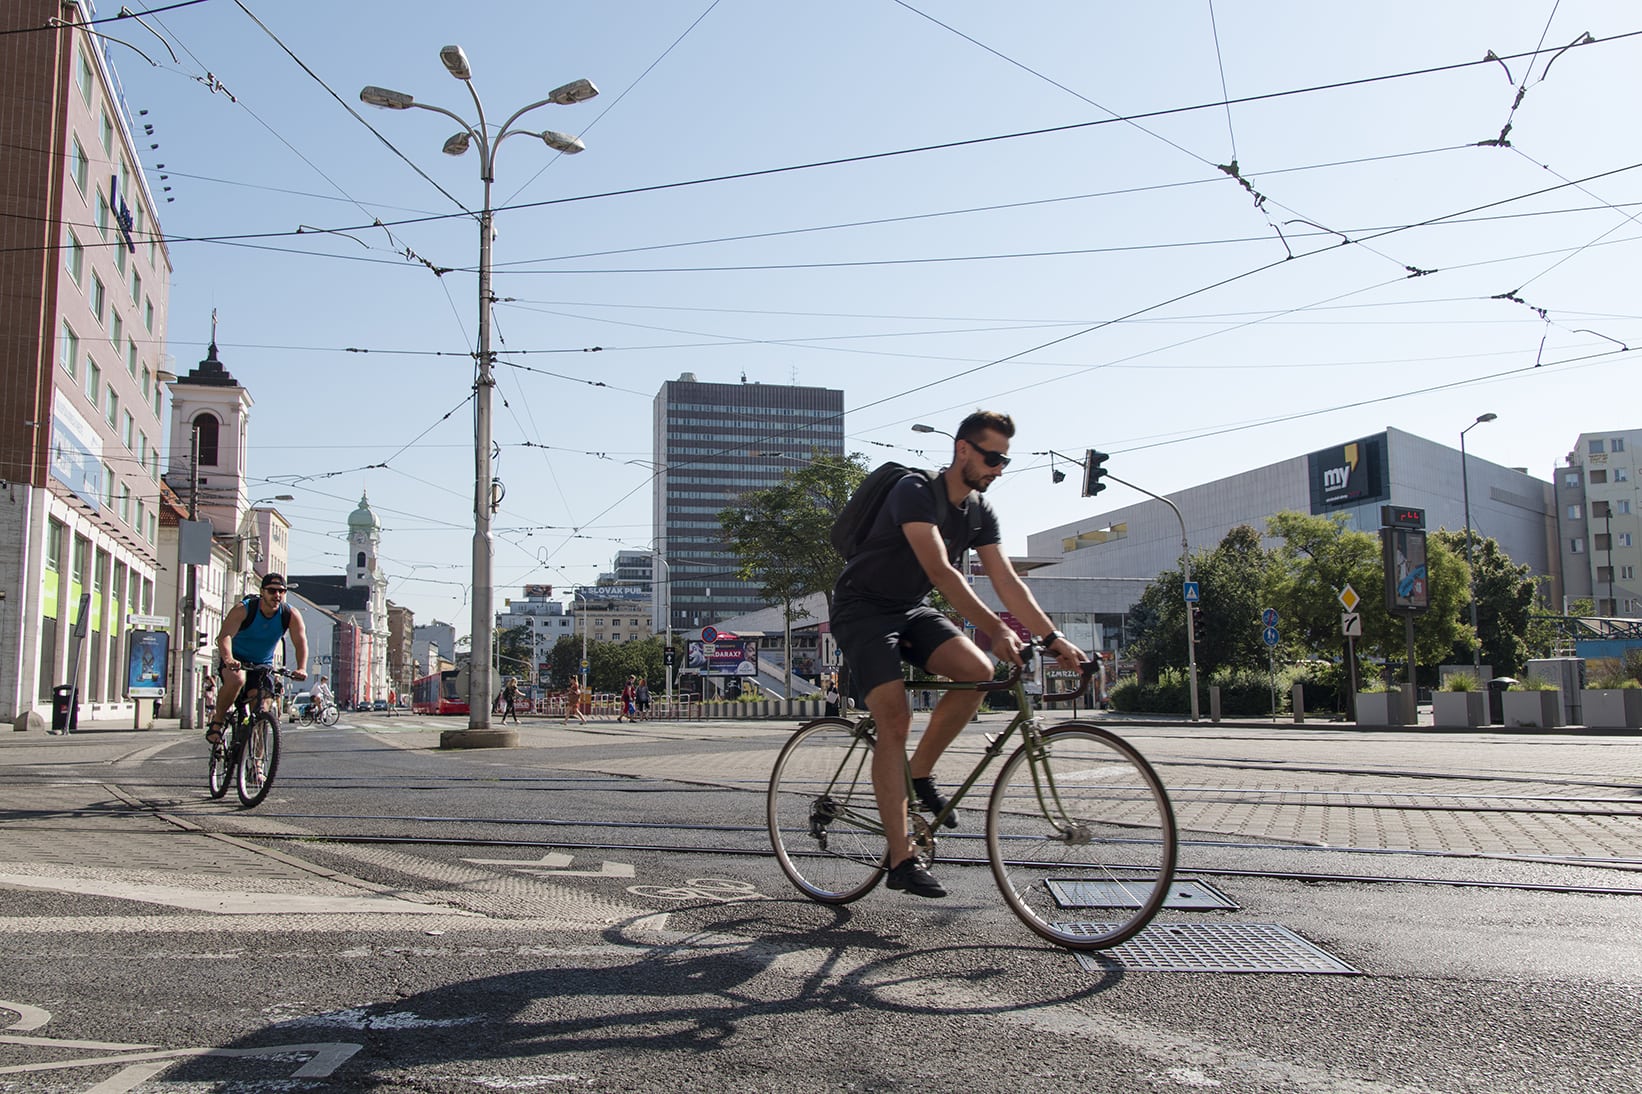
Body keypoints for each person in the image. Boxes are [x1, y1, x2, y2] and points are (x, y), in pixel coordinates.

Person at [829, 410, 1086, 899]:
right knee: (895, 720)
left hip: (909, 608)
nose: (999, 469)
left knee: (977, 672)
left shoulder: (979, 512)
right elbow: (943, 572)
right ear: (963, 449)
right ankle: (901, 859)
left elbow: (1007, 581)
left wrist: (1052, 639)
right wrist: (991, 627)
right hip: (862, 611)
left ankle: (918, 772)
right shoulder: (914, 491)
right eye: (992, 457)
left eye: (1005, 460)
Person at [207, 572, 308, 745]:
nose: (277, 595)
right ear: (262, 592)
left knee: (262, 707)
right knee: (237, 679)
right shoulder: (245, 609)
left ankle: (258, 764)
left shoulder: (290, 614)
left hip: (262, 664)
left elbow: (300, 641)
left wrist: (301, 667)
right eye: (272, 590)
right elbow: (225, 636)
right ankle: (217, 722)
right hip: (236, 659)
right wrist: (229, 659)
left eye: (281, 591)